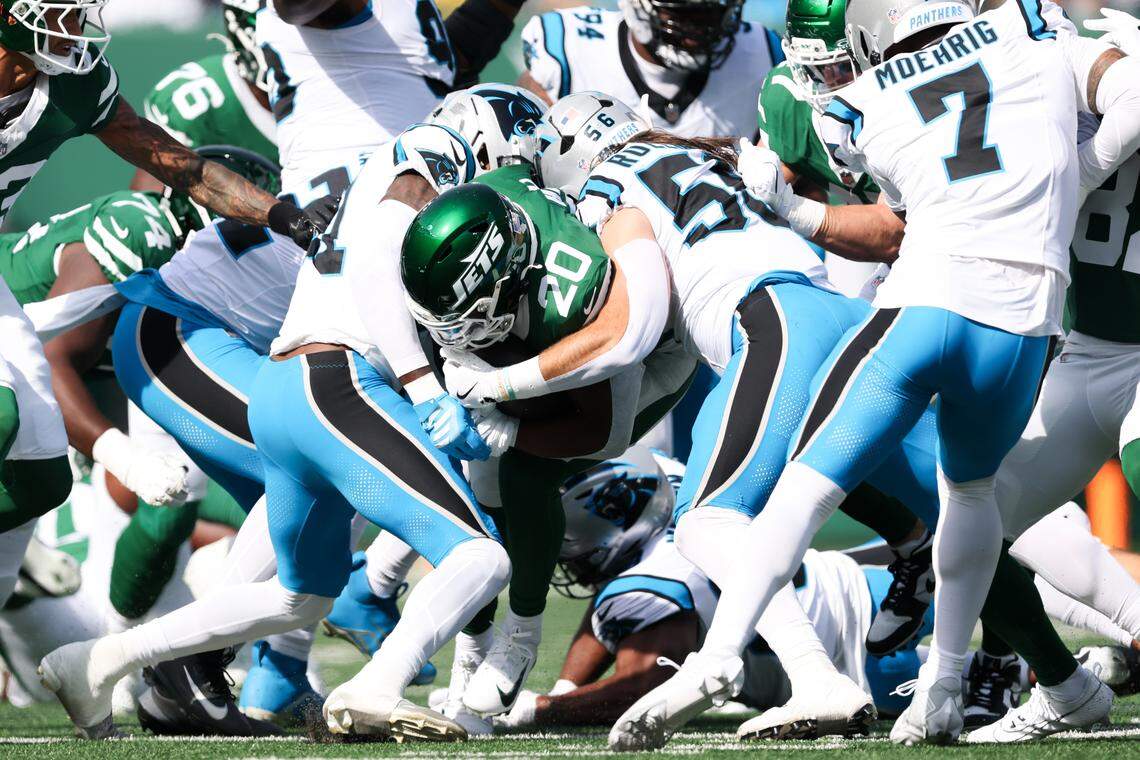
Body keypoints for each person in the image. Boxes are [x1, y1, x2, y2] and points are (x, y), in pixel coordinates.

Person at [609, 0, 1140, 747]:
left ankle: (719, 657)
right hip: (1026, 326)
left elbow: (895, 218)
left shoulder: (860, 106)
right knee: (975, 501)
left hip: (922, 310)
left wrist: (791, 205)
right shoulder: (1036, 34)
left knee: (803, 485)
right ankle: (947, 685)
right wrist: (1078, 171)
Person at [0, 0, 316, 633]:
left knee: (38, 477)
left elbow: (183, 165)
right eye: (58, 13)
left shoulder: (74, 83)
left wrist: (289, 219)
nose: (72, 28)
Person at [397, 125, 697, 725]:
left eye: (470, 320)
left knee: (528, 472)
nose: (458, 340)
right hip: (533, 326)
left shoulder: (577, 290)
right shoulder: (489, 198)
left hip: (639, 354)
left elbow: (604, 432)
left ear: (507, 275)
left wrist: (513, 421)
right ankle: (472, 648)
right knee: (475, 483)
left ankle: (522, 634)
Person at [519, 0, 779, 138]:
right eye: (681, 14)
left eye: (709, 14)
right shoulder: (566, 50)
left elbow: (801, 189)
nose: (696, 33)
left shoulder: (765, 56)